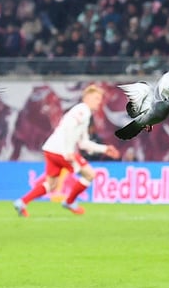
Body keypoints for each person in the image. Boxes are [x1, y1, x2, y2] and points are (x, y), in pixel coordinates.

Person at [14, 84, 120, 217]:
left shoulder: (84, 114)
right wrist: (69, 151)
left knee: (51, 185)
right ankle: (69, 202)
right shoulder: (82, 110)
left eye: (100, 99)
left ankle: (22, 202)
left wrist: (104, 149)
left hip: (51, 149)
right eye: (96, 98)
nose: (99, 102)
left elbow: (83, 143)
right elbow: (69, 127)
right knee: (89, 174)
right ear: (86, 98)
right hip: (62, 151)